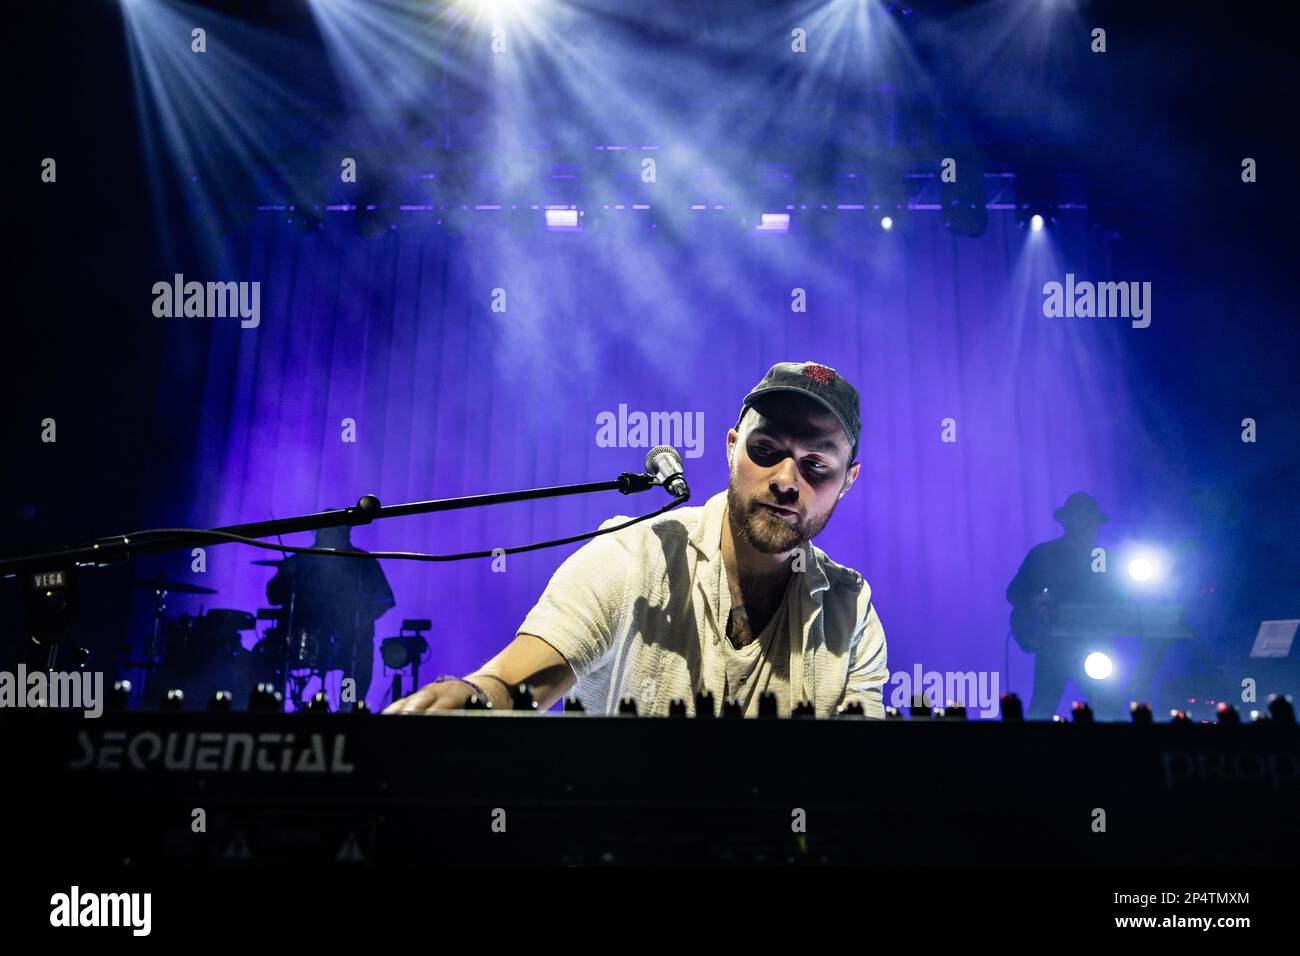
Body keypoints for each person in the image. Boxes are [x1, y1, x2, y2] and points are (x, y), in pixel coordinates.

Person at [385, 361, 888, 718]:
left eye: (815, 464)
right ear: (732, 449)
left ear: (848, 479)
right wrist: (470, 697)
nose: (784, 478)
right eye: (765, 449)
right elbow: (516, 682)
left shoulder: (851, 611)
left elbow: (856, 782)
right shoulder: (631, 555)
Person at [1006, 492, 1116, 719]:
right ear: (1066, 522)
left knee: (1107, 708)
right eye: (1079, 518)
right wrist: (1036, 598)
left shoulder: (1102, 557)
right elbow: (1014, 593)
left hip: (1096, 643)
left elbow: (1116, 598)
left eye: (1089, 519)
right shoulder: (1044, 554)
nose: (1086, 525)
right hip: (1055, 643)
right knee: (1043, 707)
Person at [266, 521, 395, 708]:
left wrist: (362, 621)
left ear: (346, 533)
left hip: (349, 639)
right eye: (326, 531)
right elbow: (273, 596)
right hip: (301, 637)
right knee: (273, 657)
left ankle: (348, 708)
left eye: (337, 531)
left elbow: (384, 600)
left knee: (356, 668)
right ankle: (274, 705)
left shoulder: (362, 562)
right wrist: (285, 575)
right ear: (317, 532)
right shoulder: (300, 560)